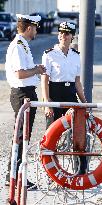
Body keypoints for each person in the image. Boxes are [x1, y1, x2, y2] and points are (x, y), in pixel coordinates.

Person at [41, 21, 87, 174]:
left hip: (70, 95)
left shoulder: (75, 56)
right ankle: (50, 171)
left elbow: (77, 82)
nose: (63, 35)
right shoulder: (49, 54)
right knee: (51, 135)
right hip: (54, 94)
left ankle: (81, 170)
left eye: (66, 33)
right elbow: (45, 81)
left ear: (72, 36)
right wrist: (47, 103)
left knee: (78, 132)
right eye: (60, 32)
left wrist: (84, 103)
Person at [5, 14, 45, 188]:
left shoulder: (23, 45)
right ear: (29, 28)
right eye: (35, 28)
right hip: (22, 95)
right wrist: (36, 70)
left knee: (23, 137)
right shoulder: (18, 46)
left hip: (27, 93)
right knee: (21, 138)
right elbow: (20, 74)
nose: (36, 31)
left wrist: (36, 69)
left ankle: (15, 175)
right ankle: (14, 176)